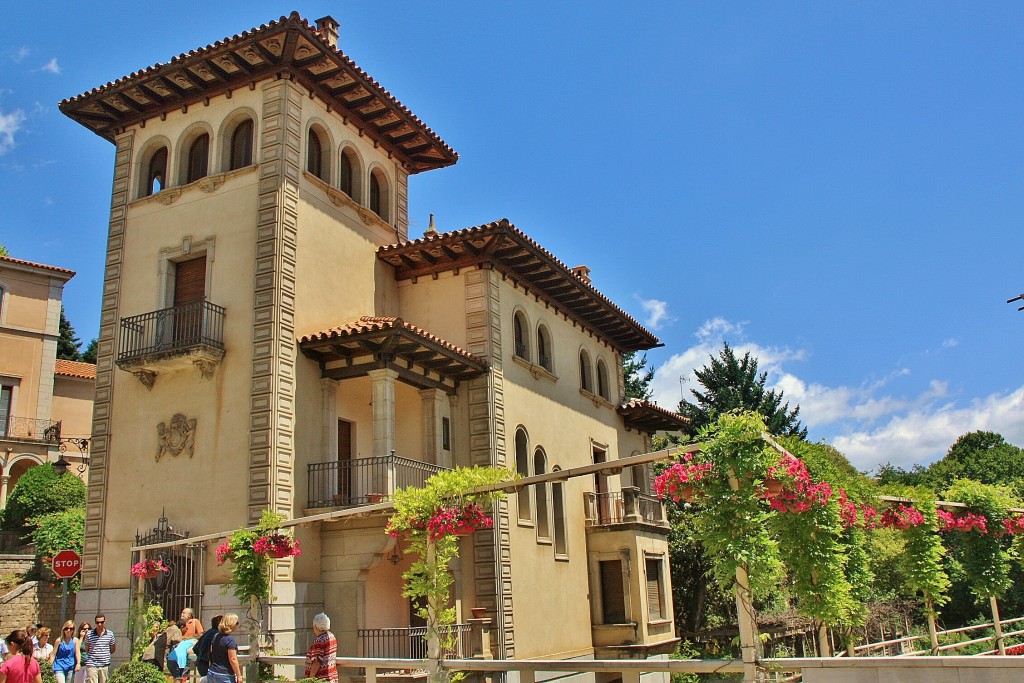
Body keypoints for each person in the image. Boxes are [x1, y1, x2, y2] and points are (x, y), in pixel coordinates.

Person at [204, 614, 241, 683]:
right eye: (237, 623)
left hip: (212, 672)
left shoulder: (215, 636)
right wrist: (239, 675)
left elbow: (211, 654)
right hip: (225, 674)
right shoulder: (230, 640)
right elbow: (233, 659)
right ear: (232, 624)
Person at [303, 613, 337, 683]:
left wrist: (310, 679)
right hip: (331, 677)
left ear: (315, 626)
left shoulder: (320, 640)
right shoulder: (331, 636)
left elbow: (317, 661)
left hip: (320, 679)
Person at [82, 614, 115, 683]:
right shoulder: (89, 634)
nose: (99, 624)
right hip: (92, 664)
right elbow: (86, 649)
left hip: (104, 664)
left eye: (101, 622)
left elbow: (112, 649)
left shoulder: (110, 634)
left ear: (104, 622)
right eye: (97, 622)